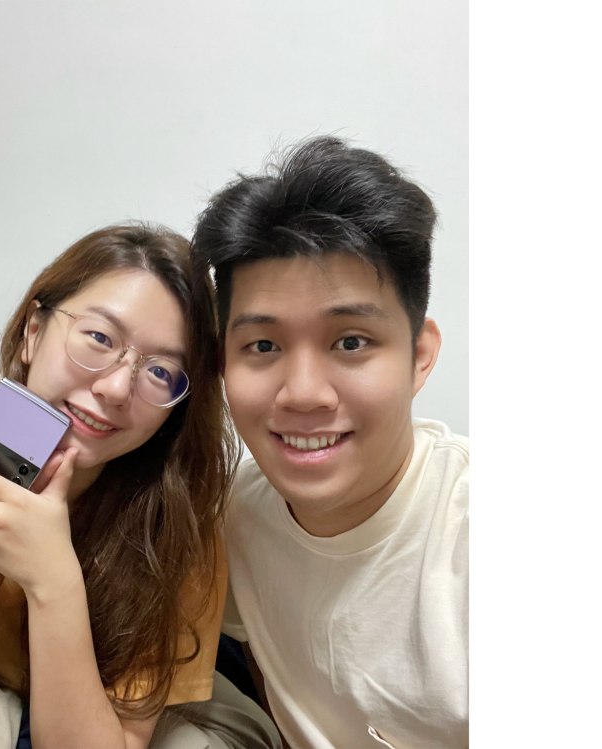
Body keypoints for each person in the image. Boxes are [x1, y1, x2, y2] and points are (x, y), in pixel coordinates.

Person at [0, 224, 261, 749]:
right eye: (99, 338)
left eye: (161, 372)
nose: (115, 388)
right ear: (33, 332)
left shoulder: (179, 532)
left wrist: (55, 580)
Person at [185, 137, 470, 748]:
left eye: (350, 342)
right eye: (263, 346)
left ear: (420, 355)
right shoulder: (233, 517)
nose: (304, 394)